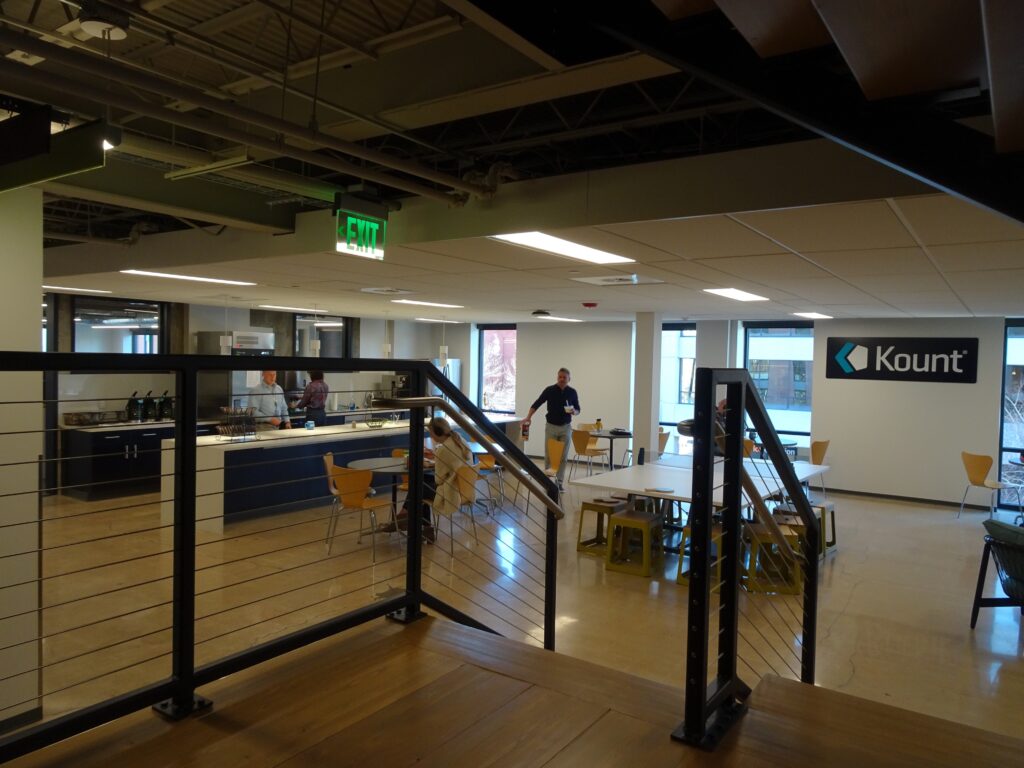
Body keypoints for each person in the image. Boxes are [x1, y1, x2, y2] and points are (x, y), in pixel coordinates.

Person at [522, 367, 579, 489]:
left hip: (566, 428)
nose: (562, 379)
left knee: (563, 456)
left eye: (564, 377)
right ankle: (548, 482)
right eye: (560, 377)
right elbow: (537, 403)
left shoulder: (572, 392)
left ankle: (559, 483)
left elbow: (578, 409)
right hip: (551, 427)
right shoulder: (550, 390)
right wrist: (528, 417)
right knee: (549, 455)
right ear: (557, 377)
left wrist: (574, 411)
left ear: (569, 379)